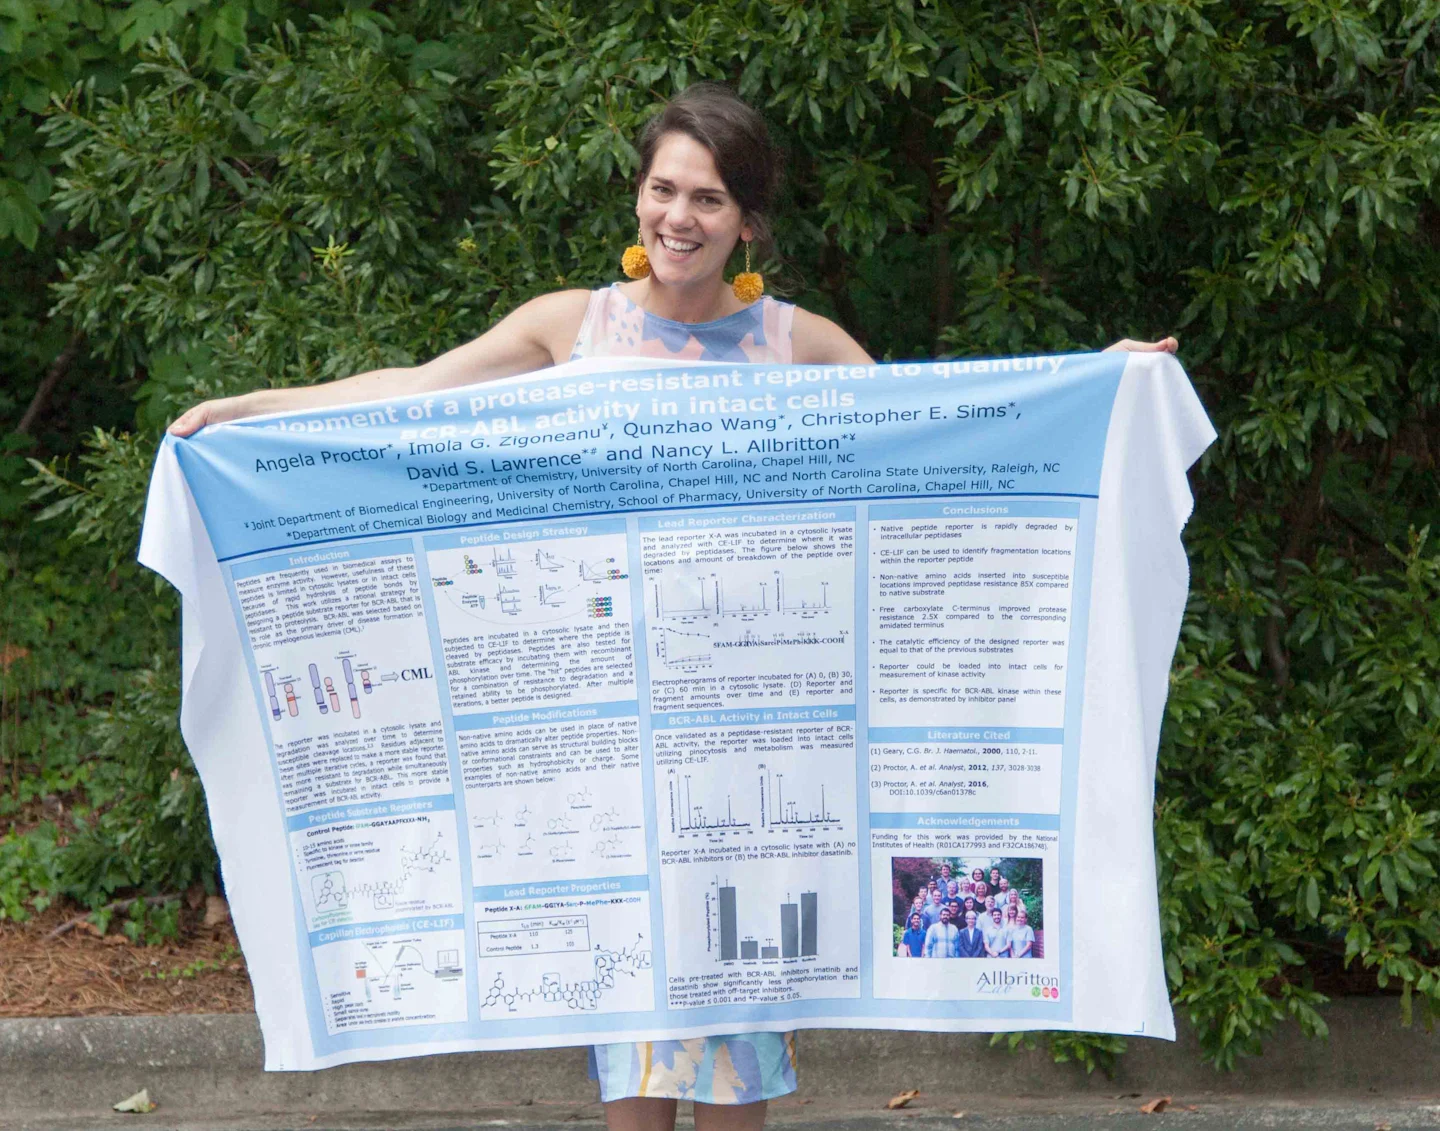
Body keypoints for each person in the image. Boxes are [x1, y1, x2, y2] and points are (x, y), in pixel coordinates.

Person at [167, 79, 1175, 1131]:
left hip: (749, 771)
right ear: (637, 196)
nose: (678, 218)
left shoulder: (797, 345)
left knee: (735, 1085)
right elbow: (413, 389)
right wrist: (249, 411)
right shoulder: (576, 329)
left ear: (748, 222)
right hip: (615, 767)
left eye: (707, 199)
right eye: (663, 189)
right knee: (636, 1084)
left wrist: (1095, 387)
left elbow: (946, 444)